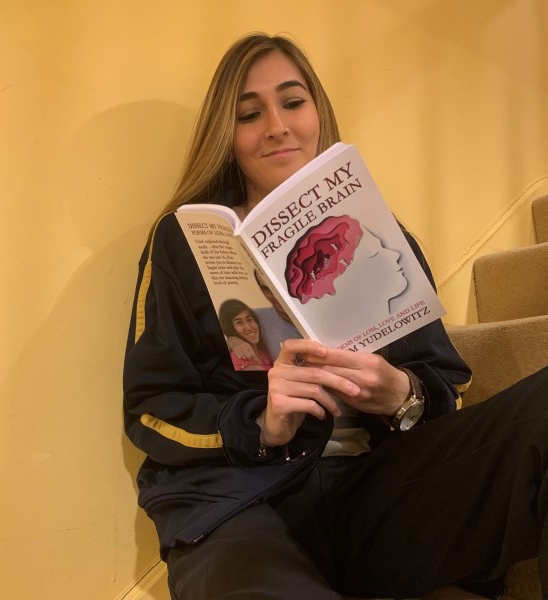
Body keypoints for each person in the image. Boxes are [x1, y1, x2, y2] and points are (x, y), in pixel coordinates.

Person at [123, 33, 548, 599]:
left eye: (293, 102)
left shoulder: (385, 237)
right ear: (227, 135)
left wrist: (402, 395)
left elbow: (449, 383)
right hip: (238, 502)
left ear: (318, 112)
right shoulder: (183, 238)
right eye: (249, 114)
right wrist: (261, 422)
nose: (276, 125)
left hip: (373, 496)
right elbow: (151, 408)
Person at [219, 298, 273, 370]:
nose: (248, 327)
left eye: (249, 319)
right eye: (239, 322)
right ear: (231, 328)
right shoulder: (238, 357)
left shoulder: (266, 354)